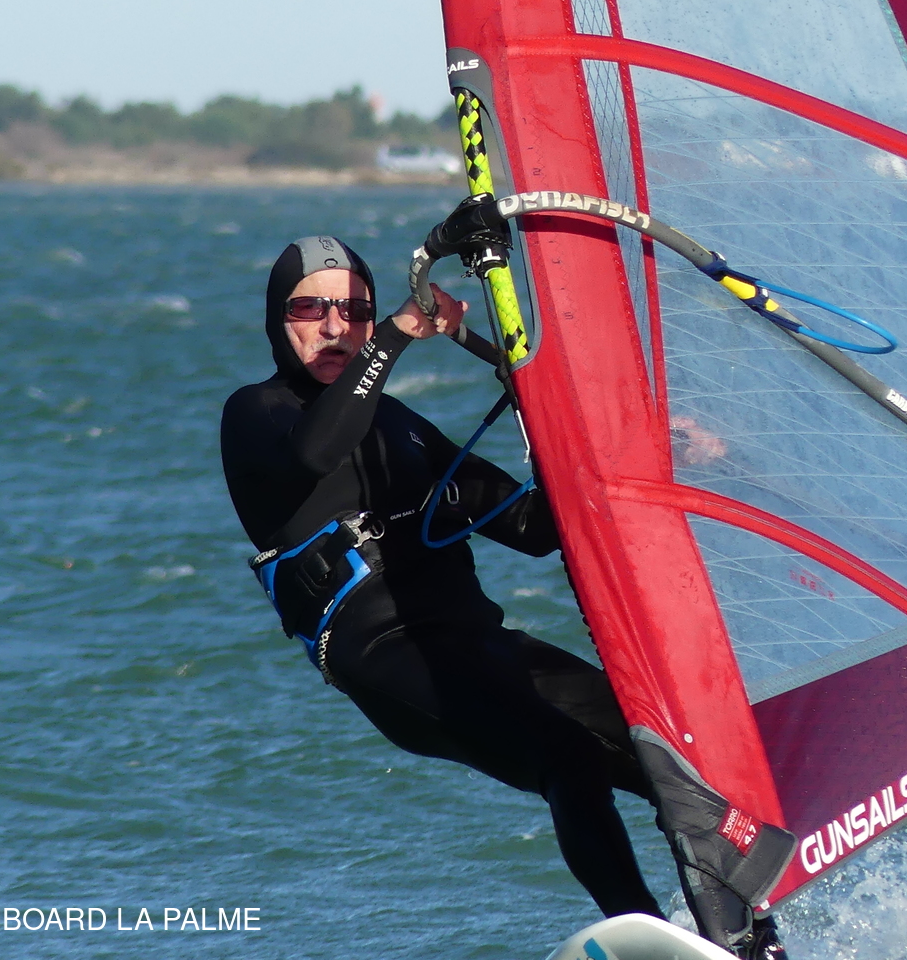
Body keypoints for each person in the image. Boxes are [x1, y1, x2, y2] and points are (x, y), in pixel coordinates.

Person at [220, 235, 666, 922]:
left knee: (661, 745)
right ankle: (644, 933)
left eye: (355, 311)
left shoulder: (402, 427)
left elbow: (531, 527)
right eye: (310, 308)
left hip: (480, 641)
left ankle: (740, 926)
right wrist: (395, 334)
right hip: (386, 653)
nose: (335, 326)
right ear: (277, 318)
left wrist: (635, 451)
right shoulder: (257, 413)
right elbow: (317, 453)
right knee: (567, 756)